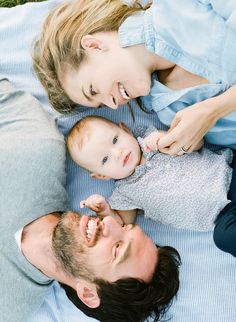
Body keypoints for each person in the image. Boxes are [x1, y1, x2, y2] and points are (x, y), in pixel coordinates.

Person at [0, 74, 181, 322]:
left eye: (117, 248)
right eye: (125, 227)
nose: (109, 223)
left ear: (87, 292)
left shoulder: (8, 308)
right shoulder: (38, 149)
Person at [33, 0, 236, 155]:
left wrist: (213, 110)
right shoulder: (167, 110)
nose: (113, 105)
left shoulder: (182, 5)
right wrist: (186, 144)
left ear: (94, 45)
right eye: (101, 105)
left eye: (93, 90)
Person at [67, 115, 233, 232]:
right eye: (105, 159)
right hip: (221, 216)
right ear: (101, 176)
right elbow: (122, 225)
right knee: (223, 239)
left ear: (126, 130)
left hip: (226, 173)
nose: (117, 153)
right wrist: (103, 210)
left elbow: (197, 143)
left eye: (115, 140)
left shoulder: (152, 140)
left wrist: (164, 140)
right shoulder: (125, 194)